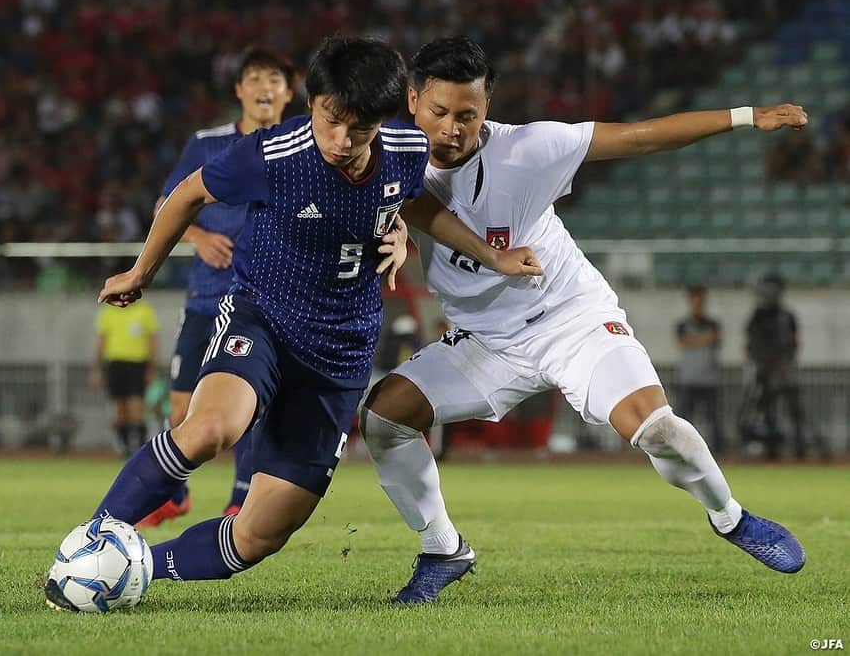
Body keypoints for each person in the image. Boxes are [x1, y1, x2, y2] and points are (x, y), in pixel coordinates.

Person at [45, 36, 541, 610]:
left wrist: (481, 251)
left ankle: (127, 569)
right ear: (313, 103)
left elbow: (415, 201)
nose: (339, 140)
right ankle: (85, 549)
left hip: (339, 358)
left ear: (382, 120)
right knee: (210, 428)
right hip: (263, 319)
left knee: (259, 535)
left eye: (357, 129)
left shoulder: (408, 148)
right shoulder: (271, 155)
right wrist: (140, 272)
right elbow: (186, 196)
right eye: (330, 120)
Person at [360, 36, 808, 605]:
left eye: (467, 116)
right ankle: (443, 548)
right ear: (413, 99)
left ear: (487, 109)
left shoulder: (530, 149)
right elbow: (392, 207)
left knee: (660, 430)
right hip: (484, 342)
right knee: (384, 419)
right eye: (440, 113)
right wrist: (395, 233)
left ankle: (731, 517)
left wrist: (746, 116)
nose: (452, 129)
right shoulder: (389, 159)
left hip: (572, 320)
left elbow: (639, 137)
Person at [137, 47, 298, 529]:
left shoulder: (302, 145)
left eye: (275, 78)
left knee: (247, 400)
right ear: (239, 90)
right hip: (206, 296)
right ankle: (175, 493)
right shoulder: (206, 145)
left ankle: (240, 499)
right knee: (184, 406)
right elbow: (168, 206)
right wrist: (199, 236)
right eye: (254, 78)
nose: (264, 87)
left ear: (289, 92)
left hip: (263, 300)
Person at [739, 274, 804, 459]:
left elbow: (794, 343)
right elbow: (751, 344)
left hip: (784, 370)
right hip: (762, 372)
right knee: (764, 412)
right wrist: (760, 366)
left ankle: (799, 448)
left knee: (794, 411)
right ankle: (769, 449)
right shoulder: (757, 316)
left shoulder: (787, 316)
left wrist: (783, 364)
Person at [90, 298, 159, 456]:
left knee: (136, 407)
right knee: (120, 411)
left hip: (137, 364)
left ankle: (141, 448)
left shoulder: (145, 311)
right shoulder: (109, 312)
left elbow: (152, 341)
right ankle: (125, 447)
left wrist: (151, 368)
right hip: (115, 364)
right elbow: (101, 342)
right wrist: (97, 369)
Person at [675, 284, 723, 453]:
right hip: (689, 379)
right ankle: (682, 451)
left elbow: (713, 340)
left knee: (713, 420)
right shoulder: (682, 324)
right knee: (684, 419)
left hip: (709, 379)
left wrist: (694, 340)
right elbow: (682, 342)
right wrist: (704, 339)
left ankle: (717, 453)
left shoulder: (713, 324)